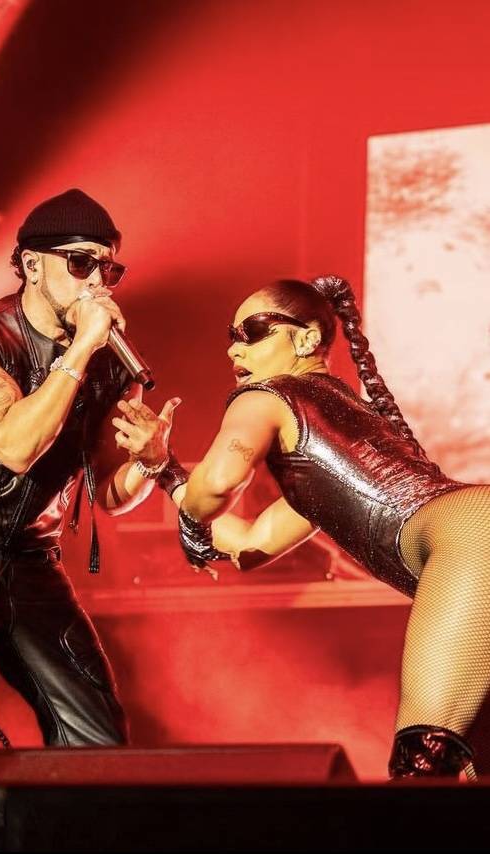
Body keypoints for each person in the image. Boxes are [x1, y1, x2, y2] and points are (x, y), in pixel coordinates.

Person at [0, 188, 179, 849]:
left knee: (97, 731)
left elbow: (109, 494)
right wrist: (82, 351)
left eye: (108, 268)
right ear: (33, 264)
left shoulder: (105, 364)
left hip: (29, 557)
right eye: (82, 262)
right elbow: (15, 445)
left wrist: (151, 463)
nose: (98, 281)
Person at [127, 274, 489, 778]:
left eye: (253, 331)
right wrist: (166, 472)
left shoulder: (267, 396)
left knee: (424, 767)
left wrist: (189, 508)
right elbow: (251, 543)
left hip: (475, 536)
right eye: (231, 336)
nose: (235, 349)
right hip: (475, 535)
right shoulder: (335, 444)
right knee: (471, 777)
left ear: (306, 339)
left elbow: (218, 485)